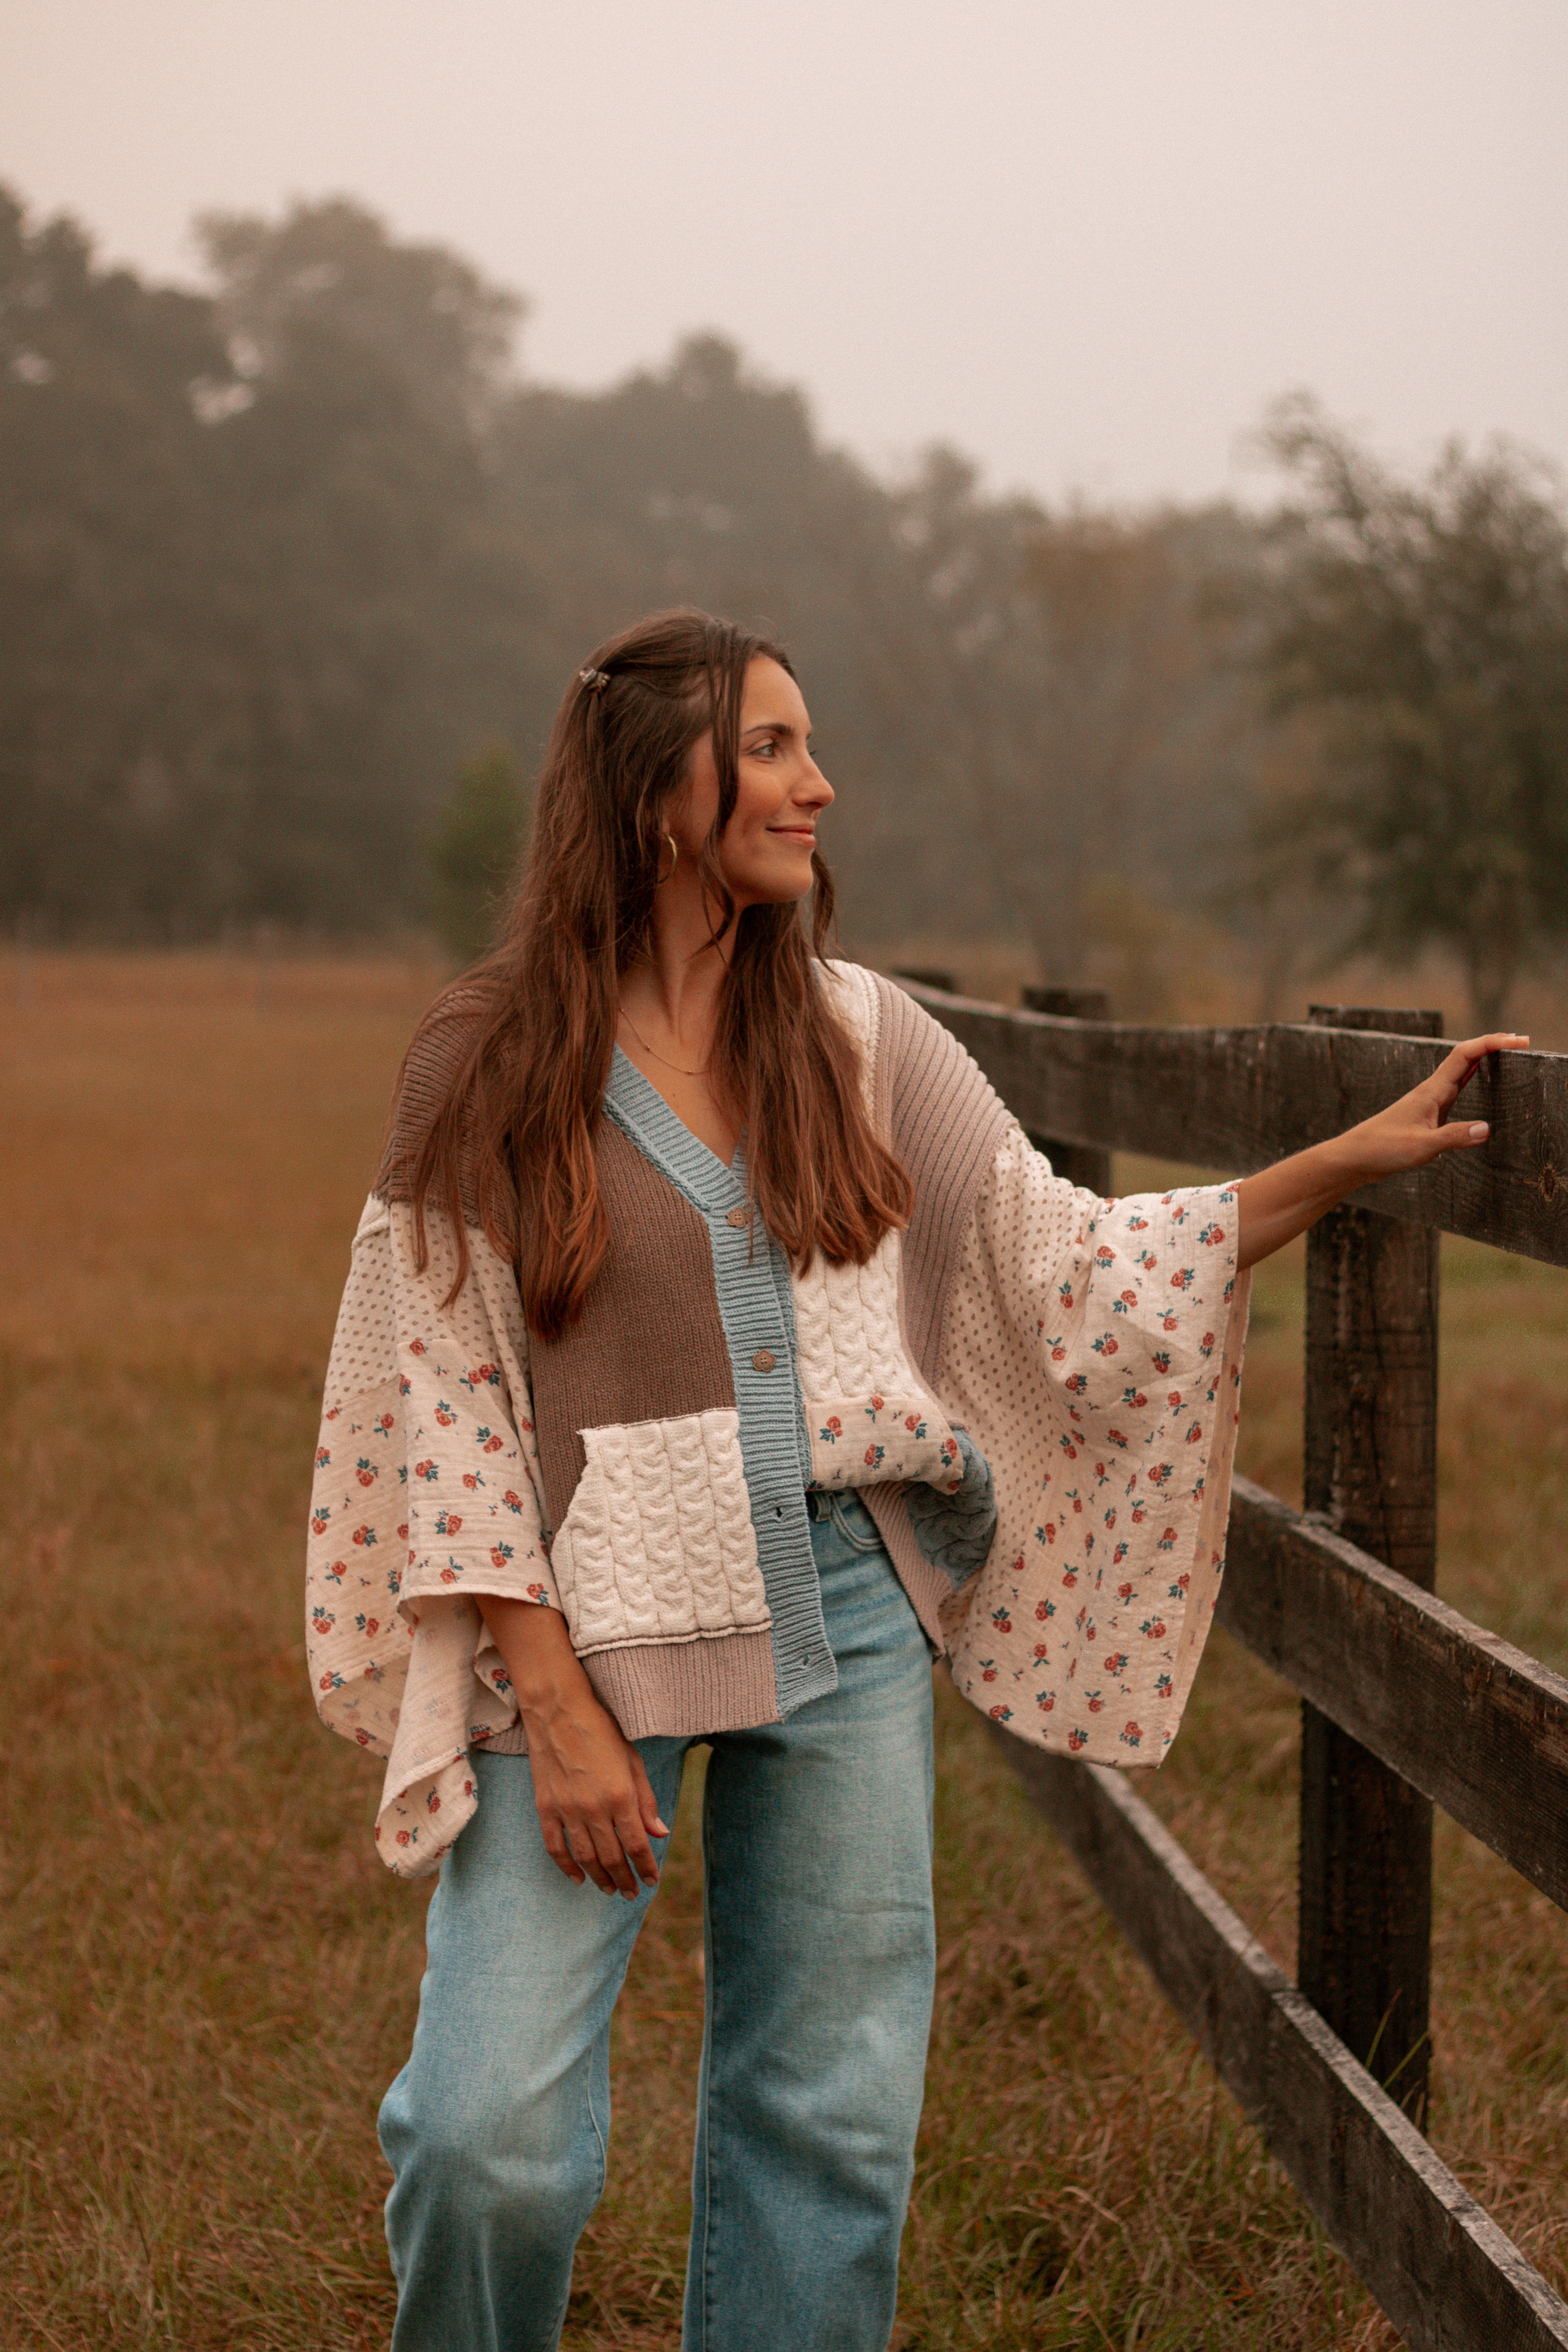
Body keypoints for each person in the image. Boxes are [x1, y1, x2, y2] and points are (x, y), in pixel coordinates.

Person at [305, 609, 1525, 2352]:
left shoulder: (860, 1034)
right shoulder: (487, 1056)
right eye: (779, 746)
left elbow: (1068, 1262)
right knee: (486, 2137)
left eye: (811, 747)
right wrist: (554, 1702)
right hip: (575, 1627)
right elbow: (443, 1396)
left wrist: (1338, 1160)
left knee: (832, 2119)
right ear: (662, 790)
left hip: (848, 1609)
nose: (821, 785)